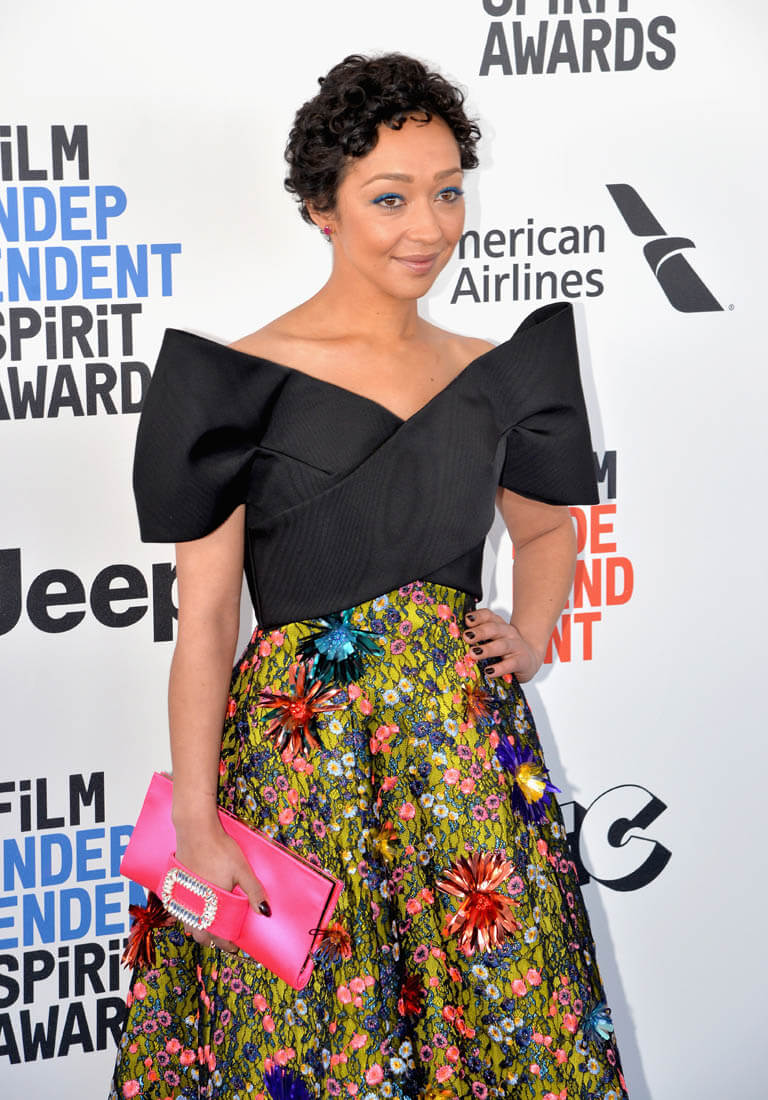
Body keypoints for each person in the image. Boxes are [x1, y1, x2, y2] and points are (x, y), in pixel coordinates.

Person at [109, 51, 629, 1100]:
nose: (427, 227)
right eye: (390, 198)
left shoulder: (491, 373)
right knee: (319, 1045)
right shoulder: (239, 382)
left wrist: (529, 636)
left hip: (463, 766)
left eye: (447, 193)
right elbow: (205, 622)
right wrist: (198, 823)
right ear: (322, 207)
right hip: (304, 773)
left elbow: (545, 531)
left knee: (503, 1027)